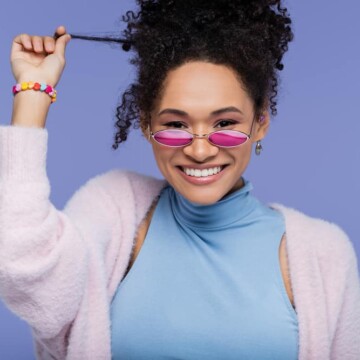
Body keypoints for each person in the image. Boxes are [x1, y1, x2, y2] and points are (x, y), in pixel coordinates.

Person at [0, 1, 359, 359]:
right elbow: (24, 270)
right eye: (175, 125)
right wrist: (33, 95)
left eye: (225, 124)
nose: (200, 152)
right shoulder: (112, 212)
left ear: (260, 122)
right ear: (145, 123)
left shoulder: (323, 253)